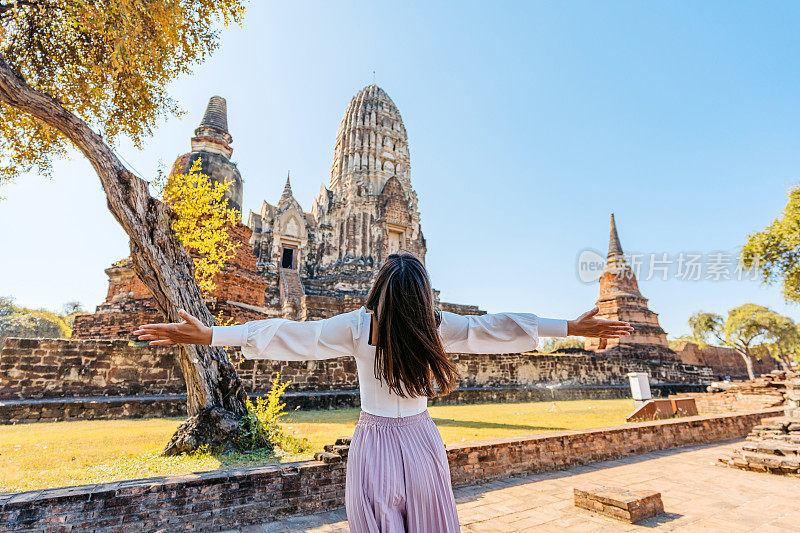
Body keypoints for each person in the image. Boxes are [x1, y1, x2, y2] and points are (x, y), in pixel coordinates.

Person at [134, 253, 632, 532]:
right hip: (419, 442)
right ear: (422, 295)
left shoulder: (357, 325)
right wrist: (569, 325)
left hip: (373, 444)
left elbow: (293, 336)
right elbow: (494, 327)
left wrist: (212, 335)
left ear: (377, 291)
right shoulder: (435, 325)